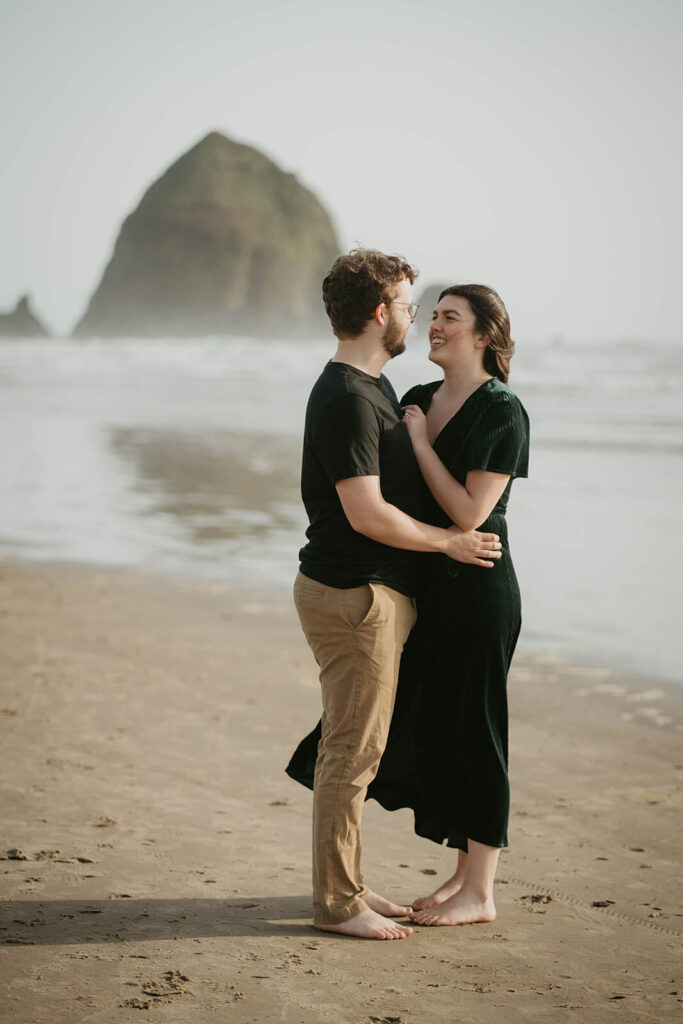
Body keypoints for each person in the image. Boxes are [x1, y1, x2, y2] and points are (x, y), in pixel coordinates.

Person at [289, 251, 502, 941]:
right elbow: (366, 514)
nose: (417, 316)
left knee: (356, 751)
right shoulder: (351, 397)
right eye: (411, 304)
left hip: (366, 593)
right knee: (350, 755)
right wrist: (449, 543)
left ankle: (346, 886)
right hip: (354, 595)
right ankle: (337, 901)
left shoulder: (372, 387)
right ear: (380, 313)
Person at [396, 283, 530, 926]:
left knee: (478, 729)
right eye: (434, 316)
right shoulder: (418, 398)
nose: (436, 326)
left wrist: (421, 444)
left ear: (484, 336)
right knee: (440, 726)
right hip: (427, 583)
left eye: (451, 318)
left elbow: (472, 513)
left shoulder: (502, 410)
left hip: (479, 587)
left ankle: (482, 892)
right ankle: (460, 872)